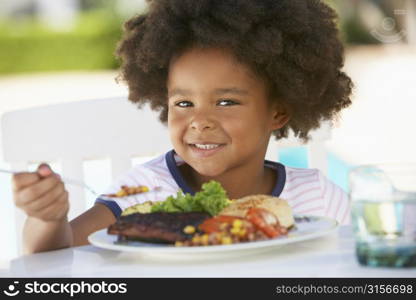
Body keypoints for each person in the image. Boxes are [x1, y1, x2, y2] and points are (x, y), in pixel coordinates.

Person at [12, 0, 353, 253]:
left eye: (226, 102)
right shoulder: (145, 192)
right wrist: (48, 220)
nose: (200, 122)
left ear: (278, 112)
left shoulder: (317, 198)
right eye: (184, 103)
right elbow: (56, 258)